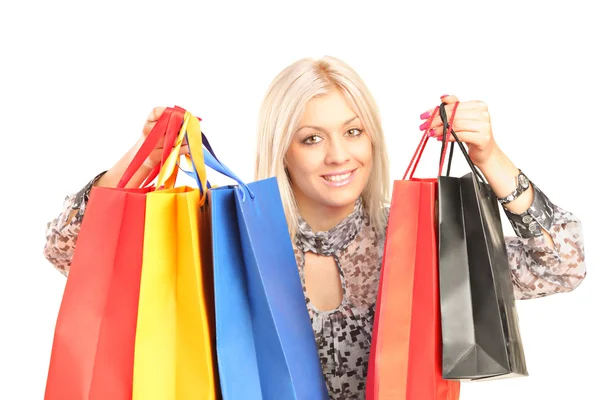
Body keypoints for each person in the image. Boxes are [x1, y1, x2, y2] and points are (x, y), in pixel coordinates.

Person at [44, 56, 586, 399]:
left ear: (372, 138)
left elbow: (562, 267)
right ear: (282, 147)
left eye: (353, 132)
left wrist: (490, 158)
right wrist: (136, 162)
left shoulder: (420, 243)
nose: (338, 156)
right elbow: (69, 249)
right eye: (311, 138)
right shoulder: (235, 245)